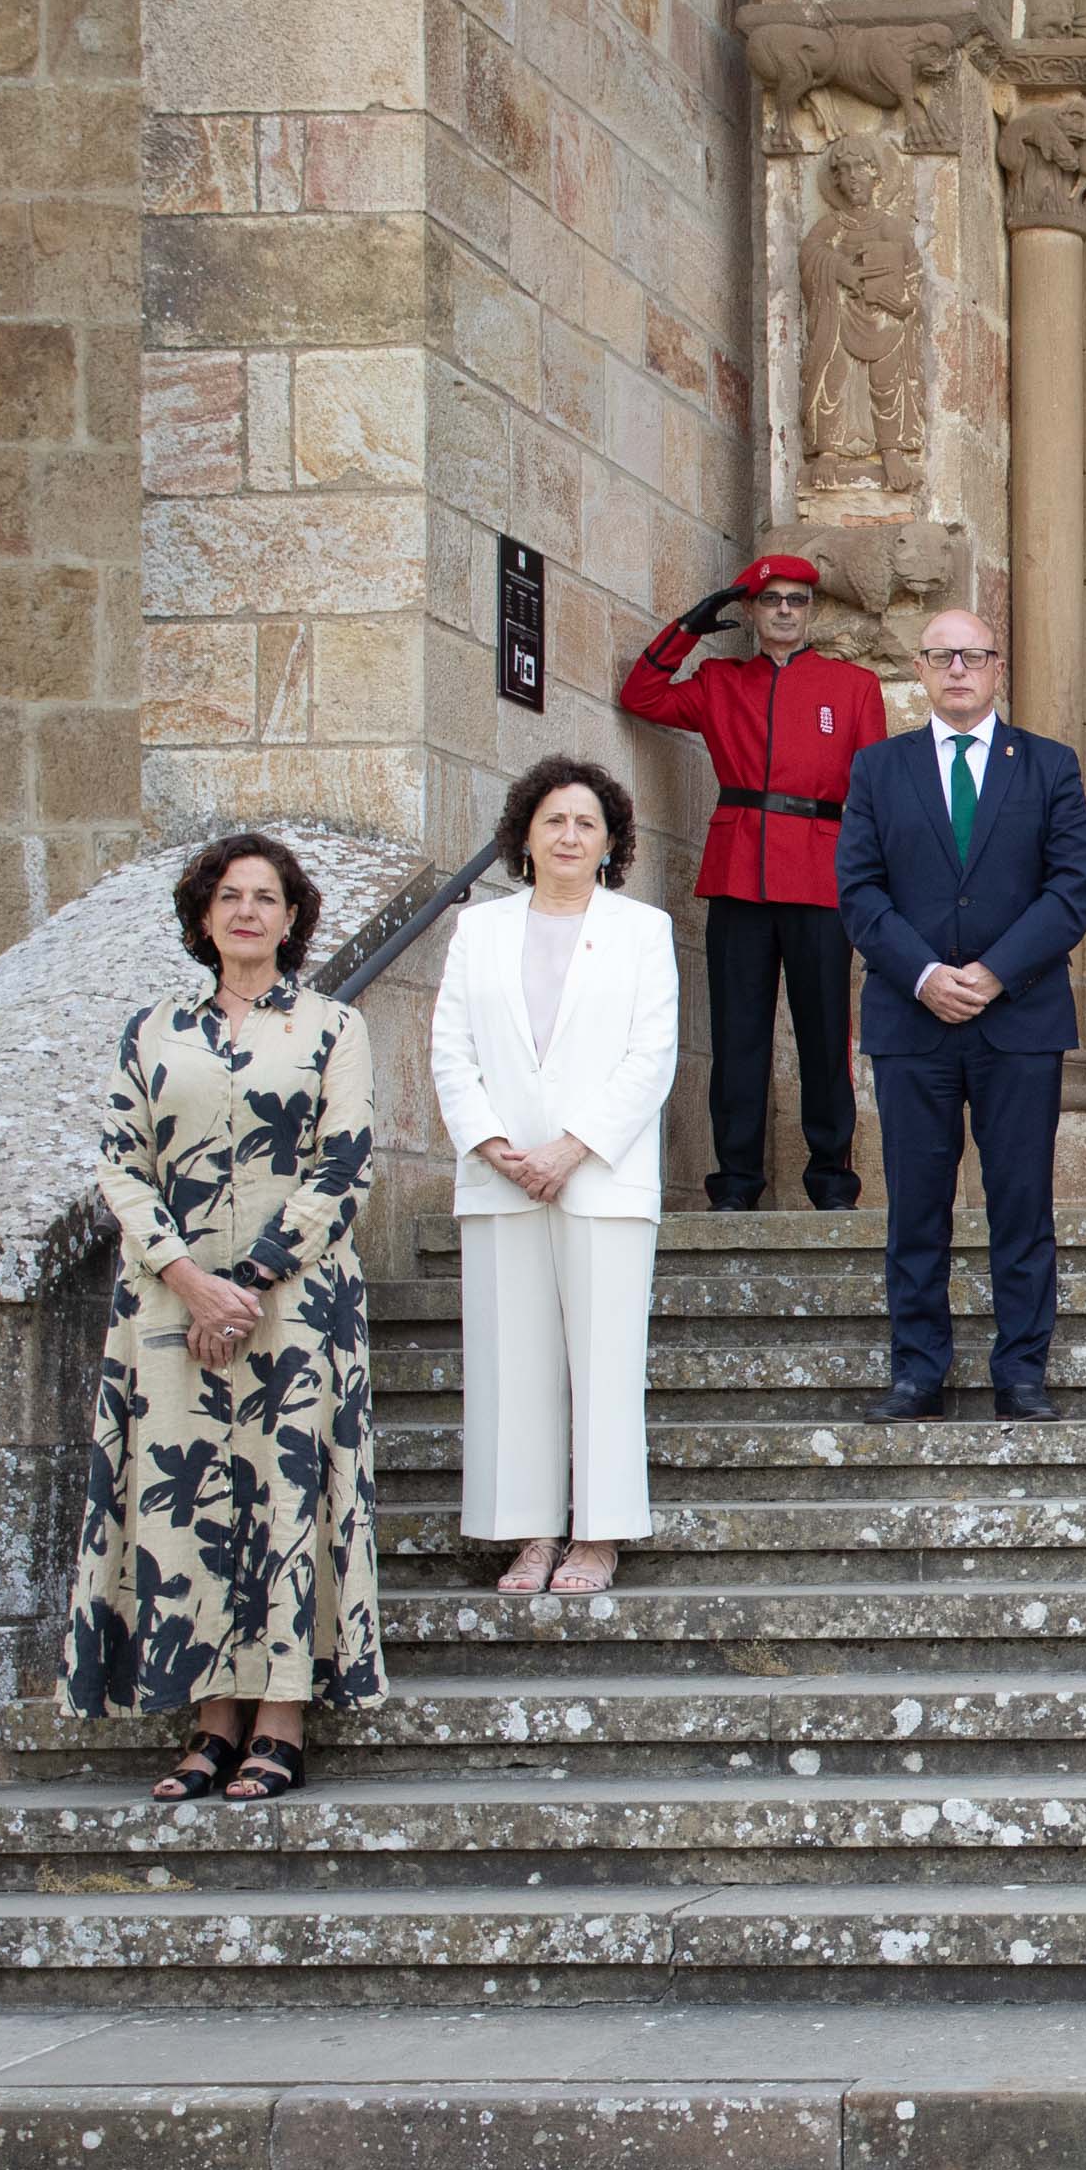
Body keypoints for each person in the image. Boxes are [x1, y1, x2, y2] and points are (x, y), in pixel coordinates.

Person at [68, 833, 380, 1804]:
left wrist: (245, 1279)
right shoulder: (151, 1031)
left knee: (285, 1507)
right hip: (168, 1306)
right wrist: (190, 1279)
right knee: (187, 1508)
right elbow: (121, 1163)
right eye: (230, 896)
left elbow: (345, 1160)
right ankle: (208, 1725)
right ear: (203, 915)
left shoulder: (332, 1025)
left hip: (294, 1303)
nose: (248, 910)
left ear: (293, 919)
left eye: (267, 897)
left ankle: (279, 1721)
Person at [834, 607, 1086, 1422]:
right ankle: (918, 1371)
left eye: (973, 655)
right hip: (913, 1022)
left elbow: (1071, 887)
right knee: (917, 1203)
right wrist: (922, 974)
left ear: (997, 667)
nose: (958, 669)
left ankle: (1021, 1370)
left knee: (1022, 1202)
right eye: (942, 656)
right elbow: (859, 889)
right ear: (919, 668)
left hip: (1018, 1021)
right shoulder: (879, 770)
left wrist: (992, 973)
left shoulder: (1049, 766)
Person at [429, 759, 682, 1599]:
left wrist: (572, 1147)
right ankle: (531, 1533)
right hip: (502, 1175)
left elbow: (651, 1056)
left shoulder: (642, 930)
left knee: (605, 1359)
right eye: (554, 821)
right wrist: (495, 1143)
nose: (569, 836)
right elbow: (452, 1050)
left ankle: (599, 1532)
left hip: (600, 1176)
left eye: (586, 824)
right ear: (525, 837)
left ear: (610, 843)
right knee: (514, 1359)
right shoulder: (480, 932)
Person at [617, 553, 891, 1211]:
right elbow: (641, 695)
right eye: (772, 601)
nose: (786, 611)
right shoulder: (719, 681)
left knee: (826, 1036)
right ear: (749, 610)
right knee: (738, 1037)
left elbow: (875, 793)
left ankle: (832, 1183)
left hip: (820, 876)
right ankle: (735, 1185)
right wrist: (686, 626)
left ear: (812, 611)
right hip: (740, 871)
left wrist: (870, 884)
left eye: (797, 600)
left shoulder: (852, 687)